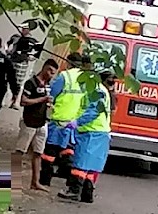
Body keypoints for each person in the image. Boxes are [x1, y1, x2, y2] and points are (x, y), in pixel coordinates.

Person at [58, 70, 114, 203]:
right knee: (91, 164)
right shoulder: (102, 90)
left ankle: (73, 190)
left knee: (81, 162)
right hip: (100, 132)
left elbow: (93, 111)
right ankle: (87, 193)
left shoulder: (96, 90)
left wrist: (77, 122)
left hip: (91, 132)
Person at [39, 53, 92, 187]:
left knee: (49, 152)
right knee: (68, 149)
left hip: (58, 120)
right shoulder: (86, 79)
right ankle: (67, 175)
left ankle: (45, 179)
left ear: (68, 63)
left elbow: (52, 95)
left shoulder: (65, 76)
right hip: (74, 122)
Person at [14, 59, 59, 192]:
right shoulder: (31, 83)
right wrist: (41, 99)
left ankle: (35, 182)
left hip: (42, 122)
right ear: (44, 68)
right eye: (50, 71)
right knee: (19, 151)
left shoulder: (48, 85)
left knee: (38, 153)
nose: (51, 75)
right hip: (29, 122)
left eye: (53, 73)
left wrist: (49, 104)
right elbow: (23, 101)